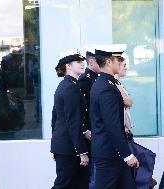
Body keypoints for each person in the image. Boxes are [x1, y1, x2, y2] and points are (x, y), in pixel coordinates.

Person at [90, 44, 139, 189]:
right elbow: (112, 125)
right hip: (109, 154)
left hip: (112, 152)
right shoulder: (106, 87)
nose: (121, 62)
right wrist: (127, 155)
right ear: (109, 62)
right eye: (118, 59)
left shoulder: (106, 83)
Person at [115, 57, 157, 189]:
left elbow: (129, 103)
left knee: (142, 159)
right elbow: (127, 102)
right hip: (121, 132)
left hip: (126, 131)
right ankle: (144, 183)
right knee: (143, 157)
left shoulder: (119, 83)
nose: (126, 68)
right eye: (124, 65)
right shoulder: (114, 84)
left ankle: (145, 183)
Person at [51, 49, 89, 189]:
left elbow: (55, 118)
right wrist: (81, 152)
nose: (82, 64)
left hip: (64, 145)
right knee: (64, 185)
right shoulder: (70, 87)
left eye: (82, 61)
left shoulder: (68, 85)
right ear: (68, 66)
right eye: (78, 62)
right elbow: (73, 122)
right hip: (69, 147)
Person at [78, 48, 100, 189]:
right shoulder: (85, 80)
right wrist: (85, 130)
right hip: (90, 135)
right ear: (91, 61)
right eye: (100, 61)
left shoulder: (95, 78)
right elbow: (80, 110)